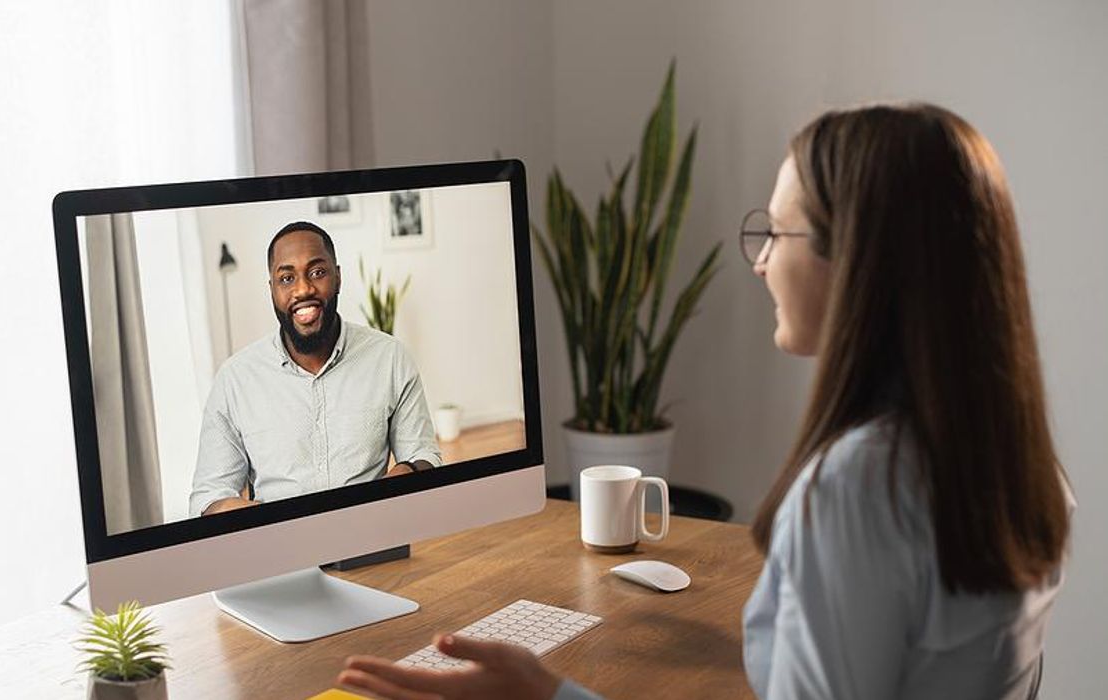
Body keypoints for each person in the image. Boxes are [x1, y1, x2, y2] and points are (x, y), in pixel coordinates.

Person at [336, 104, 1073, 699]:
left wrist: (547, 697)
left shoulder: (859, 487)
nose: (758, 261)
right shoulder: (1013, 462)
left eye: (776, 232)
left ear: (856, 263)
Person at [189, 221, 441, 517]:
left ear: (338, 278)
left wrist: (388, 490)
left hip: (372, 535)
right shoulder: (234, 379)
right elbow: (208, 497)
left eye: (317, 272)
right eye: (286, 278)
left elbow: (424, 457)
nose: (303, 289)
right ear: (272, 290)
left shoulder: (390, 357)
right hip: (280, 550)